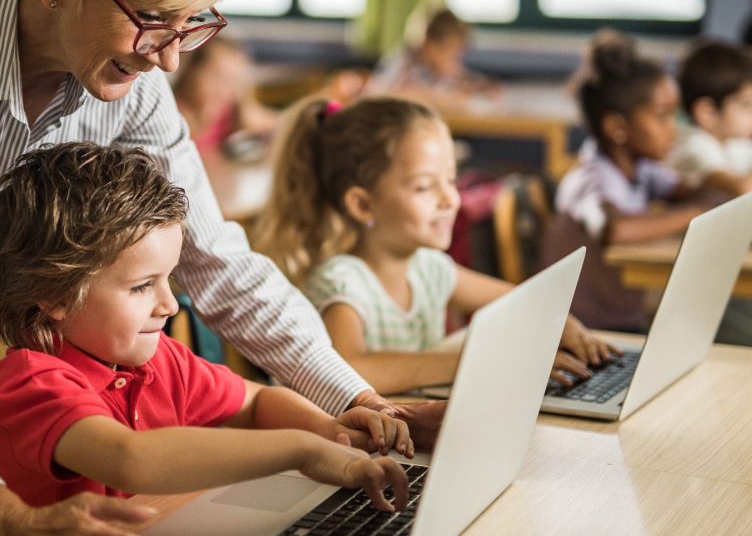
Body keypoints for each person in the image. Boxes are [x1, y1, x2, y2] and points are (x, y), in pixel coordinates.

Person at [0, 0, 439, 536]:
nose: (168, 58)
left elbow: (217, 258)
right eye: (154, 18)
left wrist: (355, 399)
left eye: (193, 25)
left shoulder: (133, 86)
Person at [0, 143, 409, 513]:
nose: (169, 304)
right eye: (141, 287)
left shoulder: (158, 360)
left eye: (169, 278)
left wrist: (328, 431)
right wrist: (302, 450)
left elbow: (255, 403)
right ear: (53, 295)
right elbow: (132, 459)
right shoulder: (31, 383)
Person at [252, 96, 618, 395]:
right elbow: (349, 367)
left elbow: (524, 301)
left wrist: (565, 325)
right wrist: (475, 361)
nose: (450, 199)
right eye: (425, 187)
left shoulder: (428, 266)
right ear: (363, 204)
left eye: (451, 180)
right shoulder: (341, 281)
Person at [543, 30, 707, 331]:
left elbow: (692, 191)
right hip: (585, 330)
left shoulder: (642, 169)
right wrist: (694, 215)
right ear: (617, 127)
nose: (673, 130)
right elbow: (615, 229)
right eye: (662, 117)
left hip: (624, 321)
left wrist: (723, 181)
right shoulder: (590, 178)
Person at [368, 0, 499, 112]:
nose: (455, 59)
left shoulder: (436, 68)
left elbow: (472, 85)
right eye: (451, 53)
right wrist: (441, 98)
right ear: (429, 46)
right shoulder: (404, 62)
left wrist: (478, 88)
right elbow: (381, 96)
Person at [668, 39, 752, 196]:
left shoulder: (734, 144)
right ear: (707, 113)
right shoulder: (694, 146)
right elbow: (742, 189)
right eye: (746, 105)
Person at [171, 36, 279, 155]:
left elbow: (281, 126)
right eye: (217, 76)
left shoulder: (227, 112)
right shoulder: (169, 113)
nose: (223, 90)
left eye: (233, 81)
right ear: (191, 70)